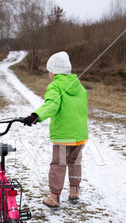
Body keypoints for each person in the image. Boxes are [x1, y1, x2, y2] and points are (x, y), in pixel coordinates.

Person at [23, 51, 88, 210]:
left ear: (55, 72)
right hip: (80, 135)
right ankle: (74, 191)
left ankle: (54, 197)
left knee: (59, 164)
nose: (49, 74)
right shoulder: (78, 86)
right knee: (75, 162)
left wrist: (36, 116)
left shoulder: (56, 85)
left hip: (63, 136)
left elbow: (52, 104)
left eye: (49, 71)